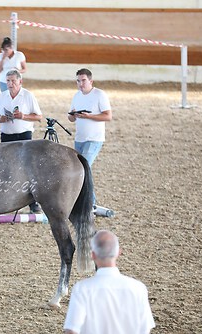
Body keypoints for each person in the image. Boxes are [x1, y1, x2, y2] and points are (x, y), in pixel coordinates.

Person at [63, 230, 155, 334]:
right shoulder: (138, 288)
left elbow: (72, 330)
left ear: (93, 255)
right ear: (118, 253)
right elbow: (145, 329)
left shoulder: (82, 289)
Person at [0, 69, 42, 213]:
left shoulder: (28, 96)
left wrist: (23, 116)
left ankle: (32, 203)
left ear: (20, 81)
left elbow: (38, 116)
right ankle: (6, 201)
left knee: (27, 169)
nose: (10, 84)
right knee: (6, 169)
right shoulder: (2, 96)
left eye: (13, 81)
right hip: (6, 136)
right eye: (8, 81)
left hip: (24, 136)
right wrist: (3, 118)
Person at [67, 68, 112, 205]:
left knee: (83, 169)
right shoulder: (77, 96)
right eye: (78, 81)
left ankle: (89, 203)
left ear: (91, 81)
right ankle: (87, 202)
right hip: (79, 138)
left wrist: (89, 116)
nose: (81, 84)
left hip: (94, 138)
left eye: (83, 80)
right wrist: (73, 115)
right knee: (82, 170)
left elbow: (108, 116)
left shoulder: (99, 94)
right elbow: (70, 118)